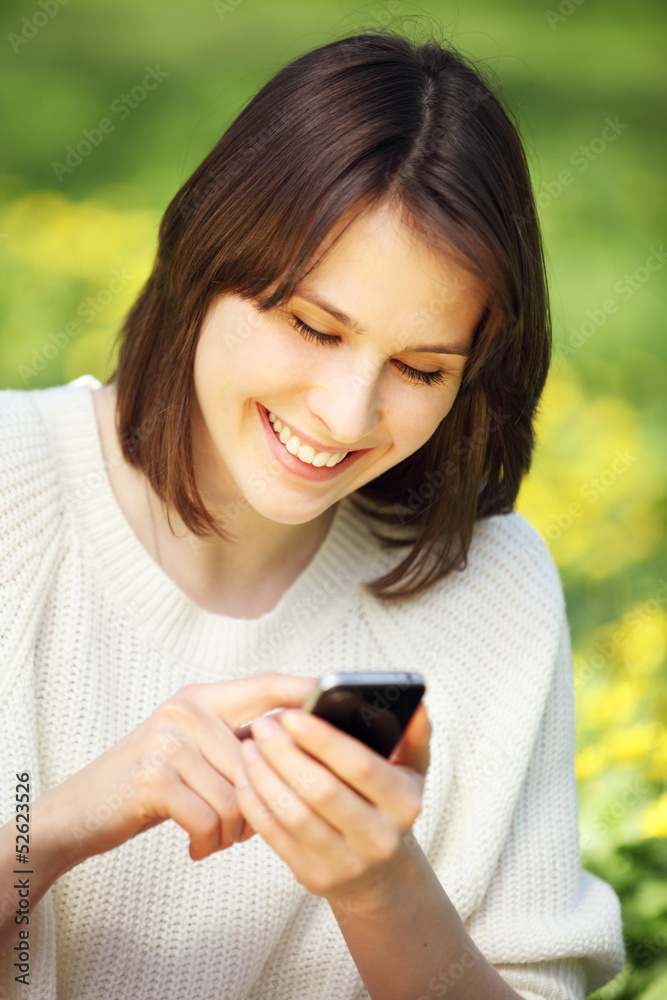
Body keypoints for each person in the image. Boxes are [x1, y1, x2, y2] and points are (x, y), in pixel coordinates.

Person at [0, 27, 625, 1000]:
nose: (345, 414)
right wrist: (70, 820)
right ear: (204, 258)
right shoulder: (13, 484)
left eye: (421, 370)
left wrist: (379, 888)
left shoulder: (487, 590)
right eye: (312, 326)